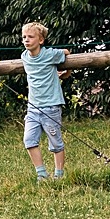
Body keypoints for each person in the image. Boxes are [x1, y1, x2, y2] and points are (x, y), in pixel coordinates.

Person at [19, 21, 68, 181]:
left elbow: (66, 53)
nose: (26, 40)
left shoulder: (50, 54)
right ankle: (41, 174)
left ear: (41, 40)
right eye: (24, 37)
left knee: (55, 143)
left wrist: (67, 71)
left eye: (31, 37)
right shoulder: (24, 56)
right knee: (29, 140)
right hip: (33, 108)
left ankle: (59, 175)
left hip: (51, 107)